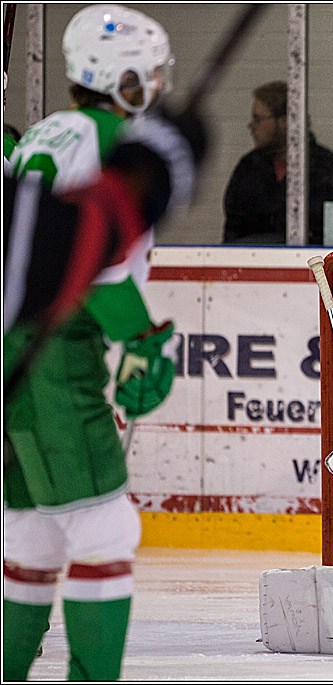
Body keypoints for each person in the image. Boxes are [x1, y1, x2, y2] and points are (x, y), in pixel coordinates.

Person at [3, 5, 202, 680]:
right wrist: (141, 337)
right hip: (57, 350)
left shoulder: (48, 132)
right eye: (148, 75)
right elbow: (90, 260)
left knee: (32, 525)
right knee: (106, 526)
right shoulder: (105, 139)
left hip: (17, 339)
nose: (158, 86)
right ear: (119, 79)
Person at [222, 80, 333, 245]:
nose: (251, 126)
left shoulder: (329, 170)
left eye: (258, 119)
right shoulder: (249, 168)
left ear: (286, 121)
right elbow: (233, 232)